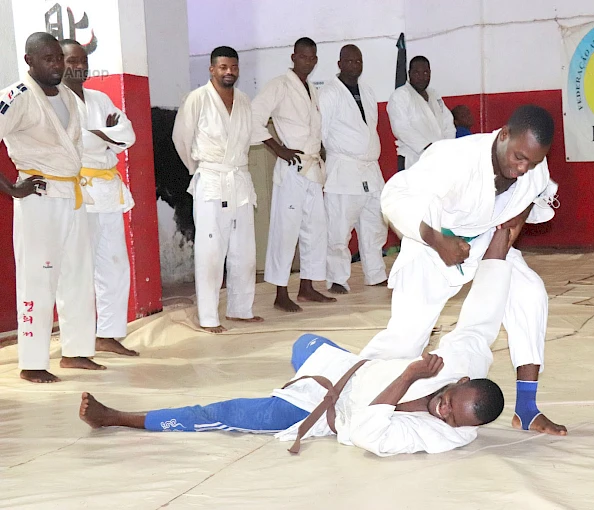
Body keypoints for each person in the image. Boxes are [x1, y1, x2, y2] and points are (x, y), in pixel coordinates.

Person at [78, 228, 521, 457]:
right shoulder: (461, 361)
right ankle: (309, 373)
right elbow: (483, 316)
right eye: (447, 401)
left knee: (224, 413)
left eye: (451, 418)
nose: (441, 411)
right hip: (352, 368)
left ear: (465, 430)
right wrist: (502, 239)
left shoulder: (442, 437)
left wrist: (409, 375)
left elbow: (368, 432)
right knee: (304, 342)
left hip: (327, 408)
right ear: (461, 381)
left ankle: (118, 418)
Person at [360, 105, 567, 436]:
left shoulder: (533, 170)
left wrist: (516, 219)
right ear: (503, 136)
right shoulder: (453, 158)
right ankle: (351, 390)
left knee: (529, 293)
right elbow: (395, 197)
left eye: (532, 161)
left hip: (485, 240)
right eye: (518, 157)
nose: (522, 167)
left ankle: (527, 409)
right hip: (432, 245)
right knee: (406, 338)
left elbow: (538, 195)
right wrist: (437, 239)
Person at [0, 33, 102, 383]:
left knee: (77, 274)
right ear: (29, 61)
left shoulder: (67, 96)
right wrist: (12, 189)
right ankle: (31, 362)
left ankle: (75, 352)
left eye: (59, 57)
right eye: (48, 59)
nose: (57, 64)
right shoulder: (17, 97)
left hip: (71, 195)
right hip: (38, 197)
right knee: (38, 279)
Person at [172, 46, 263, 333]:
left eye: (233, 67)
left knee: (244, 249)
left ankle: (240, 308)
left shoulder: (245, 100)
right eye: (223, 67)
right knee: (211, 251)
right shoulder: (197, 99)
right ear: (212, 69)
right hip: (211, 178)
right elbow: (181, 139)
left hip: (239, 179)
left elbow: (249, 138)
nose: (229, 72)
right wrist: (199, 170)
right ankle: (209, 316)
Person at [60, 39, 138, 356]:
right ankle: (77, 341)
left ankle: (108, 333)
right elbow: (76, 142)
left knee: (115, 266)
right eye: (71, 61)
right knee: (79, 269)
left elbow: (128, 135)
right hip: (78, 192)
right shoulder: (56, 102)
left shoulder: (100, 98)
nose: (79, 67)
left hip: (107, 192)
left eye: (83, 61)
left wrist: (101, 134)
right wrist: (106, 135)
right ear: (58, 63)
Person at [252, 37, 335, 312]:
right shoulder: (279, 85)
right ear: (293, 57)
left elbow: (313, 127)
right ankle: (280, 292)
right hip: (292, 169)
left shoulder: (312, 88)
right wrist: (279, 149)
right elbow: (254, 118)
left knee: (315, 229)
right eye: (303, 56)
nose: (307, 61)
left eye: (312, 57)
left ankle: (308, 287)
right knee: (285, 231)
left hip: (312, 168)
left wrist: (319, 147)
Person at [319, 44, 387, 295]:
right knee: (339, 228)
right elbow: (321, 133)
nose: (354, 65)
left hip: (370, 169)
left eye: (358, 61)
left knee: (374, 223)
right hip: (343, 169)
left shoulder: (367, 92)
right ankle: (337, 278)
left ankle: (375, 273)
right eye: (349, 61)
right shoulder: (328, 94)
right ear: (339, 64)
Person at [387, 56, 455, 171]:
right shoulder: (400, 95)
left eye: (425, 72)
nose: (422, 77)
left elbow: (448, 123)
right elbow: (402, 129)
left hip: (439, 157)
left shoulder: (434, 95)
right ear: (409, 73)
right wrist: (428, 147)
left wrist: (445, 147)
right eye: (417, 73)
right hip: (414, 158)